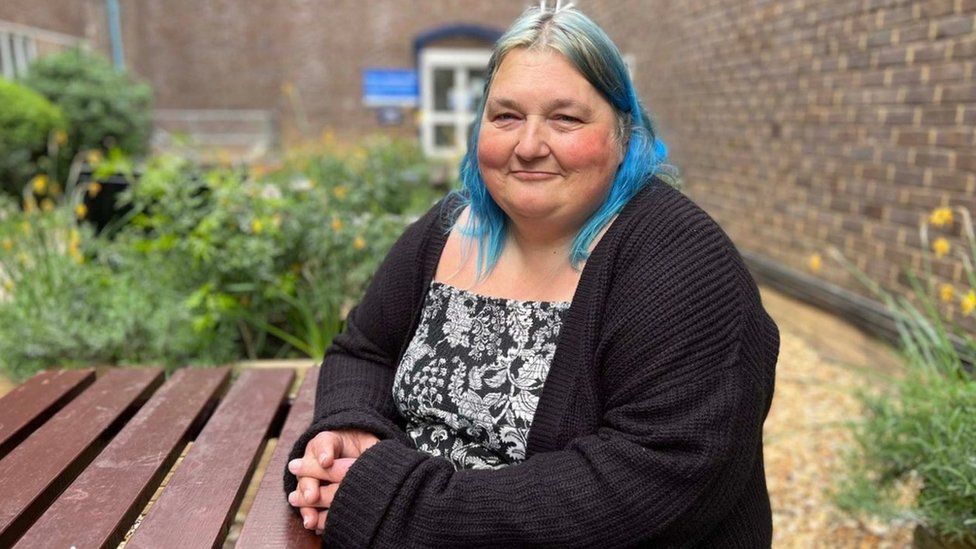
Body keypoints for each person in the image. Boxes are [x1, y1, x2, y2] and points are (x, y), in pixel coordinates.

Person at [284, 3, 779, 547]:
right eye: (506, 116)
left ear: (623, 133)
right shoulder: (450, 227)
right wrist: (350, 428)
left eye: (565, 119)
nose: (528, 145)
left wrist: (395, 505)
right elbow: (364, 350)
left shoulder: (682, 264)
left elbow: (651, 481)